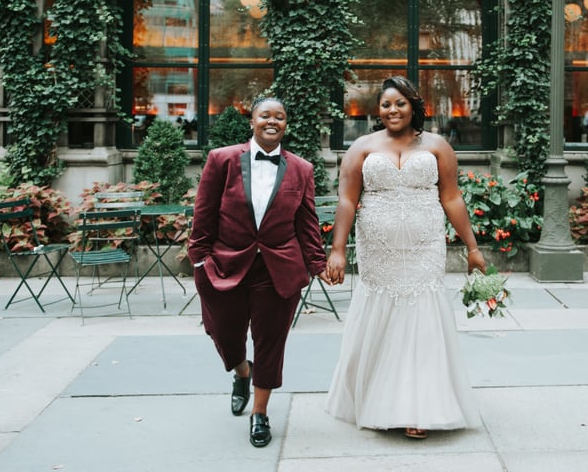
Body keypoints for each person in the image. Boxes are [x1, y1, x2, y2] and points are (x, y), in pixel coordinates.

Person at [324, 75, 487, 439]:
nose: (392, 110)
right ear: (377, 110)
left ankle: (419, 407)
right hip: (378, 252)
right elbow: (347, 200)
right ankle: (378, 399)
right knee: (382, 318)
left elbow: (452, 198)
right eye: (386, 104)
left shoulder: (438, 145)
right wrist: (337, 250)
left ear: (413, 106)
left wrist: (472, 247)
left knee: (421, 321)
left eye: (400, 103)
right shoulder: (362, 148)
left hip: (425, 247)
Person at [188, 96, 331, 448]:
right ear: (251, 121)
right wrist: (199, 261)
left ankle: (260, 413)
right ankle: (241, 371)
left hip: (278, 267)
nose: (272, 121)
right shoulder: (221, 160)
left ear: (286, 124)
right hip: (224, 264)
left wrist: (318, 264)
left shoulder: (301, 168)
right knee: (223, 332)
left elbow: (306, 223)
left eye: (279, 117)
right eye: (265, 115)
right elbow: (204, 214)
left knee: (270, 341)